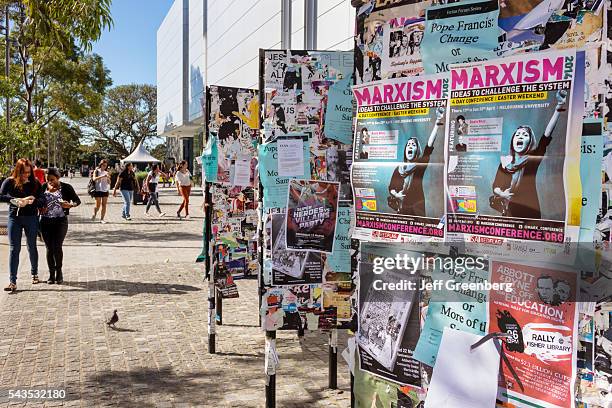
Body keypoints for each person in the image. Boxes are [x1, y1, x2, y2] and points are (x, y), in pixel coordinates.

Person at [491, 90, 567, 219]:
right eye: (518, 134)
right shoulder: (505, 162)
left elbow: (545, 137)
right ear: (513, 140)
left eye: (525, 135)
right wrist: (502, 194)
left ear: (530, 142)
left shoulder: (532, 159)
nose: (520, 136)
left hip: (529, 212)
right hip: (508, 211)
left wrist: (558, 108)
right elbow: (496, 185)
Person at [388, 108, 445, 216]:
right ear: (405, 150)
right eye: (408, 145)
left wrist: (437, 124)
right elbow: (391, 187)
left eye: (413, 145)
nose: (410, 146)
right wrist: (396, 195)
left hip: (416, 208)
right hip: (401, 207)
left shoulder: (419, 166)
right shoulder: (399, 168)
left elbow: (429, 147)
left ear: (417, 150)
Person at [0, 158, 42, 291]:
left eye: (29, 172)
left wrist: (33, 200)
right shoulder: (9, 181)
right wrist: (14, 200)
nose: (26, 175)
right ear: (18, 170)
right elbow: (0, 195)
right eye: (24, 172)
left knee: (31, 246)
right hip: (14, 218)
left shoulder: (35, 183)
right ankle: (12, 281)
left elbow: (42, 201)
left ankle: (34, 273)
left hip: (31, 218)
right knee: (14, 249)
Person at [39, 168, 80, 284]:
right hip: (45, 222)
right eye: (48, 180)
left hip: (60, 222)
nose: (50, 182)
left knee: (57, 246)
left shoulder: (66, 187)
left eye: (52, 179)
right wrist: (41, 207)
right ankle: (51, 275)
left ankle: (59, 272)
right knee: (49, 248)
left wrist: (70, 205)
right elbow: (38, 201)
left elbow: (77, 200)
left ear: (58, 178)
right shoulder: (43, 187)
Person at [91, 159, 110, 224]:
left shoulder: (106, 172)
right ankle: (94, 213)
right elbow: (94, 179)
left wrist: (108, 178)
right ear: (101, 165)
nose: (105, 167)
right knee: (98, 206)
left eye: (106, 166)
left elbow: (109, 182)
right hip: (98, 190)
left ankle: (102, 219)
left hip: (105, 190)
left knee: (104, 205)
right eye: (104, 165)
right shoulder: (96, 171)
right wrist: (102, 176)